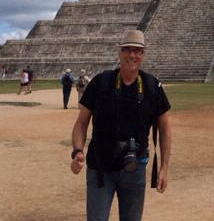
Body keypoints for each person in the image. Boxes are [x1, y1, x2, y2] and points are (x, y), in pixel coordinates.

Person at [70, 29, 171, 221]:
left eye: (137, 50)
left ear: (143, 54)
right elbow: (81, 123)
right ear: (119, 52)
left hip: (134, 168)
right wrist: (77, 151)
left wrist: (163, 168)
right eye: (127, 49)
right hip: (100, 168)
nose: (131, 55)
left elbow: (165, 129)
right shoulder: (101, 82)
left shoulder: (152, 86)